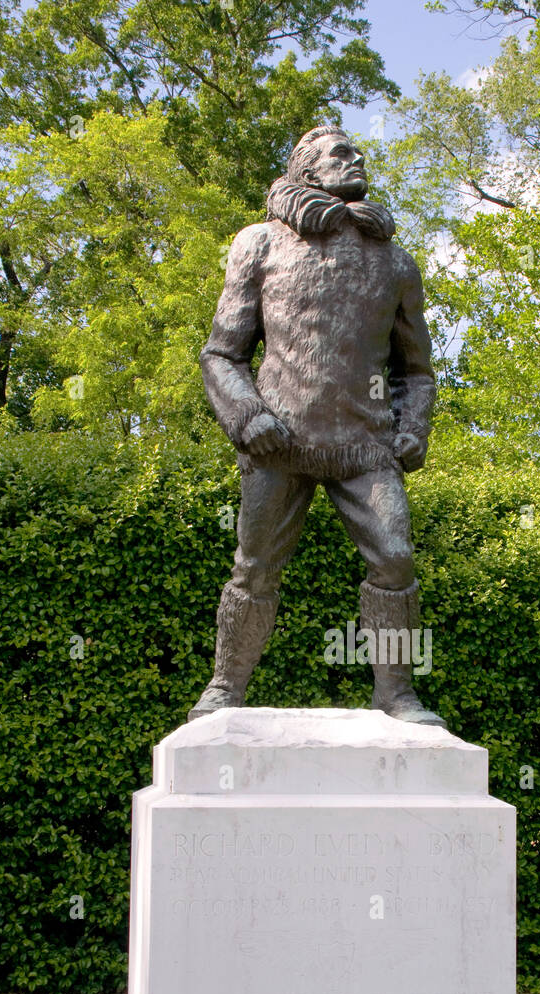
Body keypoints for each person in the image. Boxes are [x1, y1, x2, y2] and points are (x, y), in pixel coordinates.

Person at [189, 125, 445, 727]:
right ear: (305, 168)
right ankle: (225, 687)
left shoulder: (396, 262)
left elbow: (417, 370)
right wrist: (247, 416)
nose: (354, 159)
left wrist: (413, 428)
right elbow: (222, 354)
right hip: (279, 442)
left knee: (396, 558)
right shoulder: (258, 244)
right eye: (338, 152)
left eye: (358, 152)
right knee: (253, 567)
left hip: (365, 446)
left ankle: (396, 693)